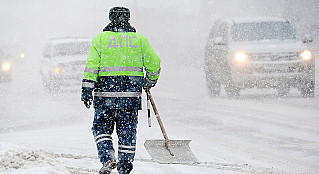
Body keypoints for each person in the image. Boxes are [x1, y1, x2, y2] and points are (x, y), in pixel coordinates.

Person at [81, 6, 161, 174]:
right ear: (128, 19)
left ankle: (108, 158)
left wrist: (87, 90)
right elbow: (155, 64)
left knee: (101, 129)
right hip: (130, 97)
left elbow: (91, 68)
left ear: (110, 18)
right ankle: (125, 168)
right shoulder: (139, 40)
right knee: (127, 133)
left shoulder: (100, 40)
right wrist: (149, 80)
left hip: (104, 97)